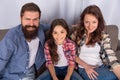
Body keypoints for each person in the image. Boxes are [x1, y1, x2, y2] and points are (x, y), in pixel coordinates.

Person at [0, 2, 49, 80]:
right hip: (11, 75)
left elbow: (55, 26)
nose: (31, 24)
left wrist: (74, 28)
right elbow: (1, 59)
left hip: (29, 73)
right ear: (21, 18)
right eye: (27, 19)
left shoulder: (40, 28)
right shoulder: (11, 37)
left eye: (35, 19)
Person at [70, 5, 120, 80]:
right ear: (83, 21)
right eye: (87, 22)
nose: (90, 26)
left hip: (101, 66)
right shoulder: (77, 34)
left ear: (99, 22)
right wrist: (86, 66)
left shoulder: (103, 36)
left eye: (94, 22)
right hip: (84, 68)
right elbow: (69, 52)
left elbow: (110, 56)